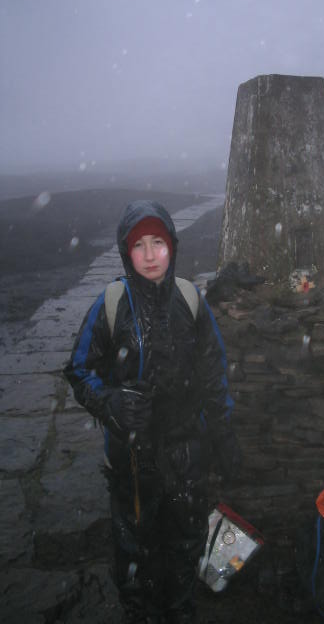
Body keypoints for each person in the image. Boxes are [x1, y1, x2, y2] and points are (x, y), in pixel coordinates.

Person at [64, 200, 240, 623]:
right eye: (138, 244)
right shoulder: (110, 305)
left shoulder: (190, 300)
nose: (148, 254)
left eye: (157, 242)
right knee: (134, 542)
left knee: (186, 535)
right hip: (132, 454)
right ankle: (139, 612)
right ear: (127, 253)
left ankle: (179, 608)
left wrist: (224, 438)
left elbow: (214, 373)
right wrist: (111, 402)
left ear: (171, 247)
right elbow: (79, 369)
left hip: (186, 450)